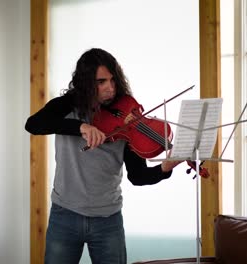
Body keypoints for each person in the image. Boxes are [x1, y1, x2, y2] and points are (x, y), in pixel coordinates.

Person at [25, 48, 183, 264]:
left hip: (108, 219)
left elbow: (137, 176)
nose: (110, 88)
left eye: (112, 80)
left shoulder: (127, 113)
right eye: (101, 82)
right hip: (65, 215)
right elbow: (33, 124)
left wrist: (165, 168)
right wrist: (81, 126)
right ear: (86, 84)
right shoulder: (67, 105)